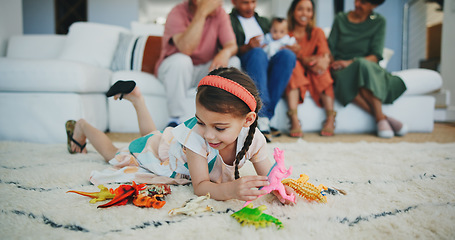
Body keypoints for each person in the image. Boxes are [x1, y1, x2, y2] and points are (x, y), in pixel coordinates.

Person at [65, 67, 294, 204]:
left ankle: (136, 98)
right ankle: (83, 126)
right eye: (201, 121)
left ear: (248, 120)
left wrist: (282, 188)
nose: (208, 134)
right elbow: (201, 186)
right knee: (117, 155)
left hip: (170, 144)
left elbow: (271, 176)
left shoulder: (254, 138)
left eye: (220, 128)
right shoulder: (197, 136)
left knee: (154, 138)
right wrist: (231, 190)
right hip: (168, 156)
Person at [328, 0, 408, 138]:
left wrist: (351, 62)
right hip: (342, 70)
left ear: (374, 5)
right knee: (351, 75)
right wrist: (334, 62)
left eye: (363, 2)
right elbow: (329, 49)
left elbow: (376, 56)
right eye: (356, 0)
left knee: (361, 67)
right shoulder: (340, 19)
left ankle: (381, 119)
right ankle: (382, 118)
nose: (357, 4)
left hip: (367, 66)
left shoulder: (379, 22)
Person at [155, 0, 240, 128]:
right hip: (175, 69)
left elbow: (231, 45)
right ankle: (175, 120)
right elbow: (186, 48)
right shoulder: (177, 12)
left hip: (203, 69)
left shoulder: (220, 13)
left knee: (234, 61)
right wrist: (202, 12)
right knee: (182, 60)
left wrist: (225, 53)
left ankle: (221, 118)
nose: (220, 2)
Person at [230, 0, 296, 142]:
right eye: (245, 3)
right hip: (249, 59)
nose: (251, 6)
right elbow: (227, 46)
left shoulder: (265, 21)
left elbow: (279, 37)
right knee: (258, 53)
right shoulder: (229, 21)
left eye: (253, 2)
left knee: (288, 56)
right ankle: (263, 116)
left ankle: (266, 117)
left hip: (267, 59)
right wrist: (247, 47)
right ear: (234, 2)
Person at [284, 0, 336, 138]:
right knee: (294, 67)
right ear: (293, 11)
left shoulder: (317, 32)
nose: (304, 13)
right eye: (300, 9)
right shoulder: (286, 33)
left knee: (322, 70)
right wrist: (304, 58)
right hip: (297, 69)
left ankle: (330, 117)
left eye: (309, 10)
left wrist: (322, 61)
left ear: (312, 13)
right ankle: (294, 119)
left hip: (314, 70)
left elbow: (324, 54)